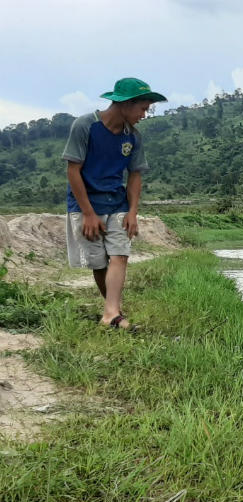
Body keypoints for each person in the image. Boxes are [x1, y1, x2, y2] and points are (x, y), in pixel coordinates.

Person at [62, 77, 166, 330]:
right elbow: (73, 170)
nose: (144, 114)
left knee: (120, 255)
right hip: (87, 205)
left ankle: (111, 313)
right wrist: (88, 213)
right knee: (98, 263)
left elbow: (135, 175)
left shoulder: (134, 137)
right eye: (142, 108)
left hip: (117, 204)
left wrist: (133, 212)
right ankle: (114, 311)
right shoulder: (85, 126)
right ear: (125, 104)